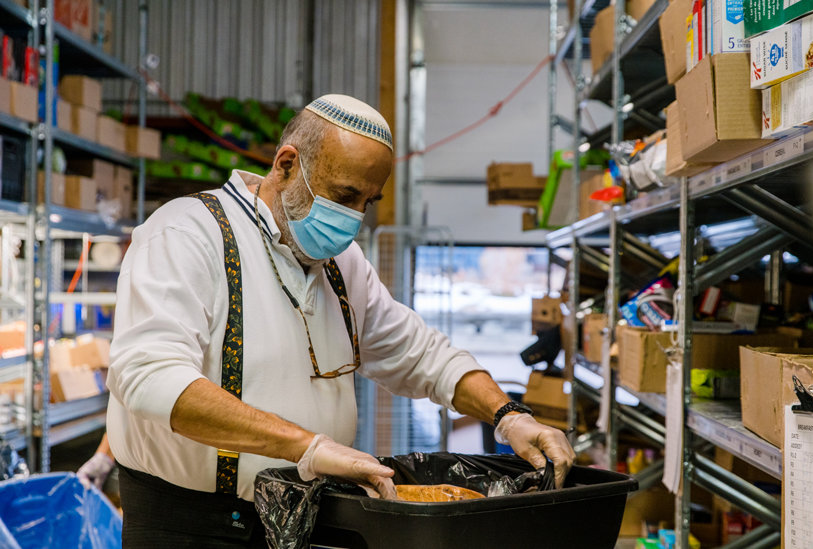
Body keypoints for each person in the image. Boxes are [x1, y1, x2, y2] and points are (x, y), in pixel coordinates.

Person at [106, 94, 575, 546]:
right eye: (345, 195)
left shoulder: (341, 262)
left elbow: (422, 355)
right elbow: (151, 377)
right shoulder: (188, 232)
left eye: (367, 203)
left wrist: (508, 416)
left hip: (305, 518)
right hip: (194, 525)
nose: (353, 220)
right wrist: (305, 446)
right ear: (287, 164)